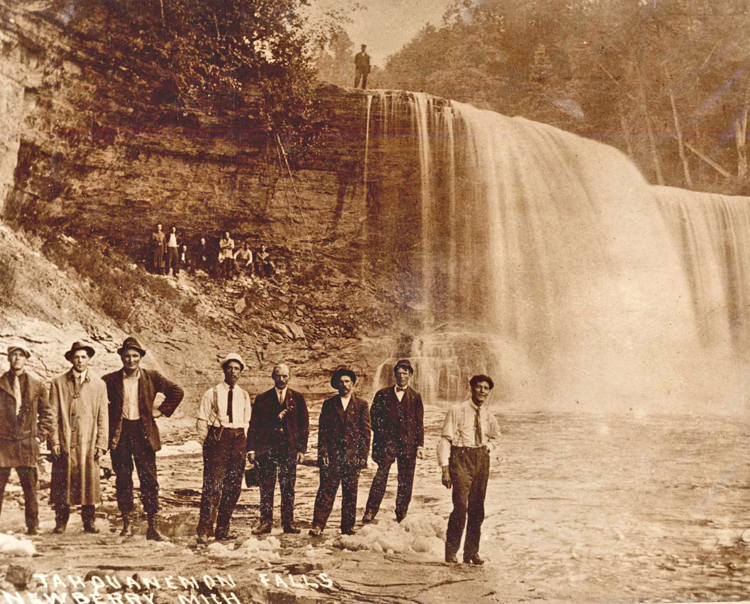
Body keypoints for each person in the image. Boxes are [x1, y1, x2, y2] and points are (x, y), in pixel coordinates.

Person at [102, 337, 184, 540]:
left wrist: (160, 411)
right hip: (120, 433)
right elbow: (99, 404)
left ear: (140, 358)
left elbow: (177, 391)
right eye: (127, 356)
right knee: (123, 479)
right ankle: (127, 525)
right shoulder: (109, 380)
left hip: (143, 432)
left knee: (149, 480)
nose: (131, 360)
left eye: (135, 356)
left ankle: (153, 528)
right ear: (121, 357)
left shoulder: (151, 377)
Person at [438, 374, 500, 565]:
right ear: (471, 388)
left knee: (477, 509)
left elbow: (496, 437)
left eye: (485, 388)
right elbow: (445, 439)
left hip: (481, 460)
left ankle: (471, 553)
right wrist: (445, 468)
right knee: (460, 507)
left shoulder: (489, 416)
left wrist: (487, 448)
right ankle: (451, 553)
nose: (482, 391)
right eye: (478, 387)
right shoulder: (457, 410)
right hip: (461, 459)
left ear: (488, 392)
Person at [48, 342, 108, 534]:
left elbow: (103, 416)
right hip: (65, 440)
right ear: (71, 359)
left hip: (87, 441)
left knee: (88, 481)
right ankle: (61, 522)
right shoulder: (58, 383)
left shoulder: (99, 385)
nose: (80, 361)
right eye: (76, 357)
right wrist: (55, 441)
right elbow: (52, 414)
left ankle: (89, 522)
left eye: (83, 357)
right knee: (61, 481)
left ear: (89, 359)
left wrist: (101, 443)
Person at [195, 353, 253, 544]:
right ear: (224, 370)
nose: (233, 372)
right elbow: (202, 420)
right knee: (212, 486)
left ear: (241, 372)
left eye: (237, 369)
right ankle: (204, 529)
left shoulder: (244, 395)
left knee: (233, 487)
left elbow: (247, 422)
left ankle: (222, 529)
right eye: (230, 368)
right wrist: (207, 443)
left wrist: (245, 444)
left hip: (238, 441)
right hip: (217, 439)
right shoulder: (212, 393)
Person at [247, 364, 309, 535]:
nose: (281, 380)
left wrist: (301, 450)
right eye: (278, 376)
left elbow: (304, 426)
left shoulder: (297, 398)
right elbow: (253, 425)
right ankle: (265, 523)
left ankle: (288, 523)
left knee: (288, 487)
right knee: (266, 487)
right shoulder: (262, 398)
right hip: (267, 450)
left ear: (290, 377)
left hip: (289, 450)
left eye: (284, 376)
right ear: (272, 377)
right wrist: (251, 449)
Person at [309, 367, 370, 537]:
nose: (344, 385)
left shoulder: (361, 405)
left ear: (353, 384)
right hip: (332, 456)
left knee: (350, 493)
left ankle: (347, 527)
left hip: (352, 457)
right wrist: (323, 454)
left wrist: (362, 456)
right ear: (336, 384)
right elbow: (323, 432)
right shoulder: (329, 404)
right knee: (326, 492)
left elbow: (366, 433)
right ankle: (318, 525)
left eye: (347, 381)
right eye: (341, 382)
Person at [363, 359, 424, 524]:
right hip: (386, 444)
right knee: (380, 477)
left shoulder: (416, 396)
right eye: (399, 372)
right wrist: (384, 436)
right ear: (394, 374)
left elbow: (419, 423)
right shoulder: (382, 394)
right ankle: (370, 511)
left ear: (410, 375)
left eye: (405, 373)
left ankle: (401, 512)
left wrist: (420, 445)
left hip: (408, 444)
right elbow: (372, 418)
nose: (401, 376)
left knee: (406, 480)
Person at [0, 345, 51, 535]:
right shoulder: (1, 384)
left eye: (21, 356)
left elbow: (47, 413)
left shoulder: (37, 385)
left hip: (27, 443)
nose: (17, 359)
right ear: (8, 358)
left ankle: (33, 526)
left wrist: (39, 434)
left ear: (26, 359)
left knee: (30, 488)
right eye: (14, 355)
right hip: (3, 443)